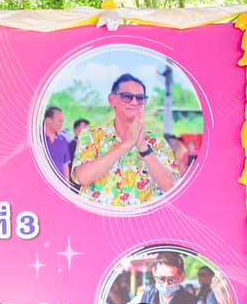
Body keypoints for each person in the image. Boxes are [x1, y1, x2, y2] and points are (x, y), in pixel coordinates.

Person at [72, 73, 178, 207]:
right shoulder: (91, 136)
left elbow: (171, 187)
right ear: (112, 100)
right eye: (127, 97)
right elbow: (83, 177)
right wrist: (126, 145)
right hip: (99, 218)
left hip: (143, 218)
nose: (134, 102)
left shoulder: (157, 142)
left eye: (140, 98)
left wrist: (144, 148)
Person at [43, 106, 72, 184]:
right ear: (48, 120)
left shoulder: (63, 140)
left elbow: (65, 165)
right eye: (60, 121)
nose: (62, 124)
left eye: (62, 121)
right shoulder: (36, 139)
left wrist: (67, 185)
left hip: (58, 186)